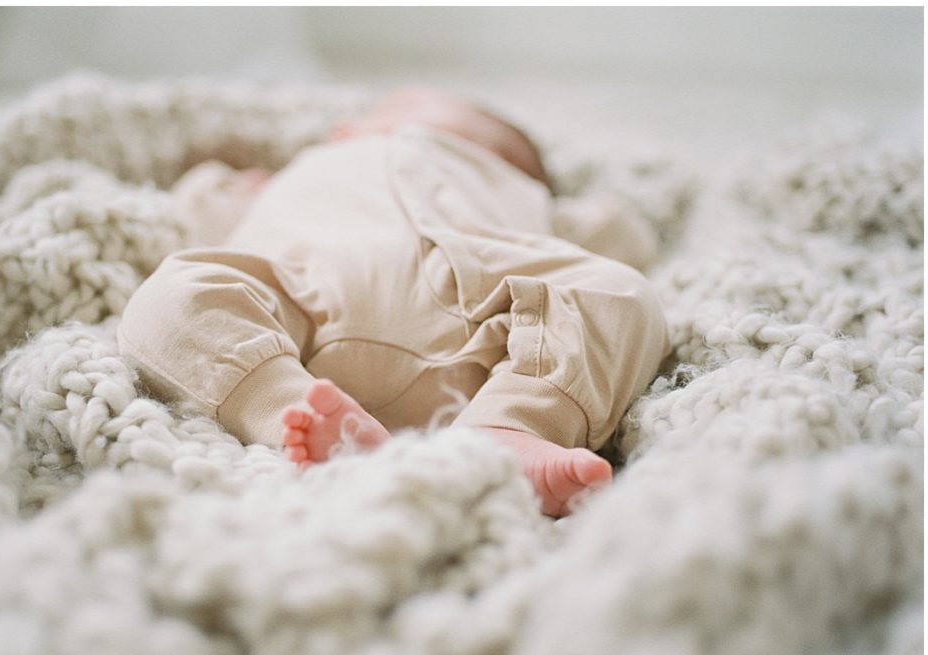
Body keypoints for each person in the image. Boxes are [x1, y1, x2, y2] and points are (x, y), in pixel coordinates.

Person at [118, 88, 670, 517]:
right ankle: (288, 406)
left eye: (415, 108)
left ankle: (512, 425)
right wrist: (239, 185)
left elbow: (622, 239)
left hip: (490, 313)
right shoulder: (298, 173)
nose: (397, 122)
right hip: (294, 304)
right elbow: (200, 204)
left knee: (621, 294)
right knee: (171, 295)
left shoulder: (520, 193)